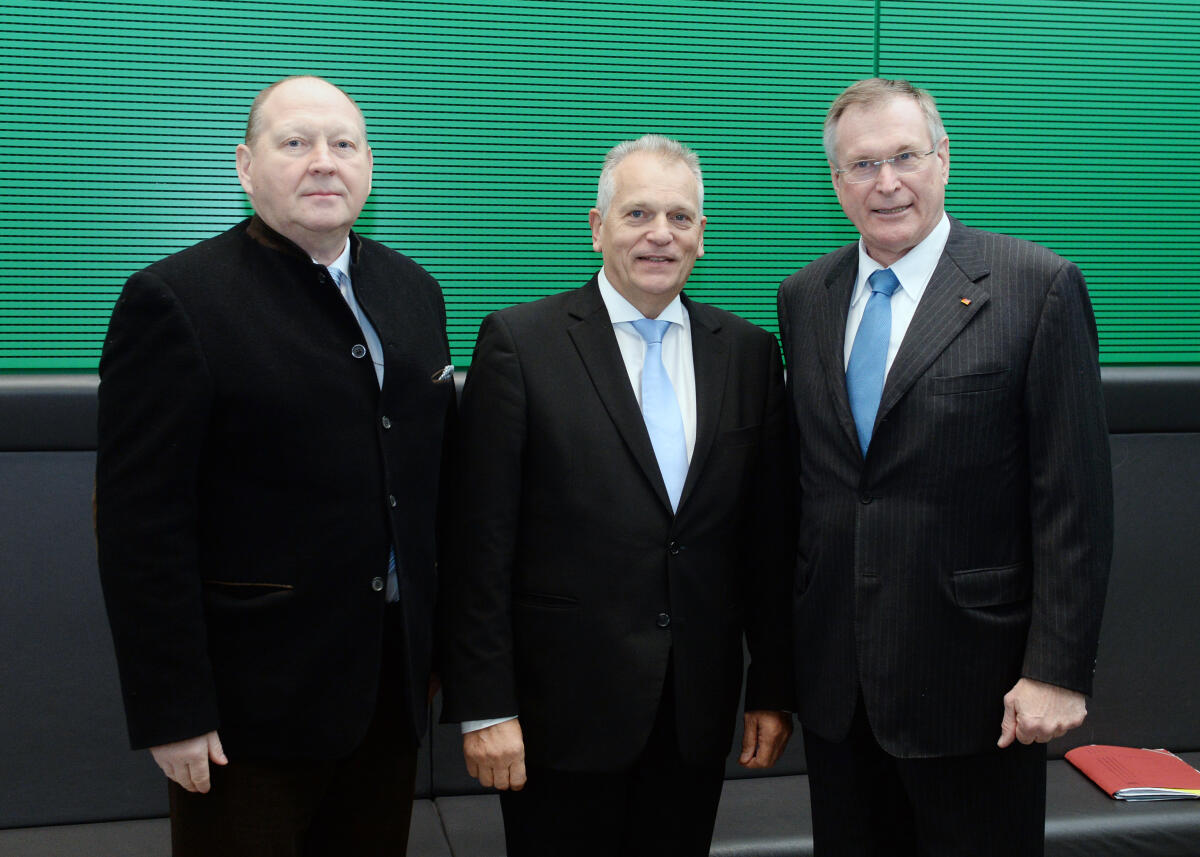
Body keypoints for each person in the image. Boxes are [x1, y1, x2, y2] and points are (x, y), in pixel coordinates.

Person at [95, 75, 455, 856]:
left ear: (369, 164)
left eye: (345, 144)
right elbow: (140, 527)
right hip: (246, 715)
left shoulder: (414, 290)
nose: (324, 162)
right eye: (295, 142)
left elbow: (429, 492)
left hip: (388, 697)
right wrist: (173, 710)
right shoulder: (175, 299)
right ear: (244, 165)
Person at [776, 78, 1113, 856]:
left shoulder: (1037, 286)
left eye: (904, 156)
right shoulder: (806, 297)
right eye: (862, 165)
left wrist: (1057, 670)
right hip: (840, 690)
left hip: (979, 693)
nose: (886, 182)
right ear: (836, 183)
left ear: (944, 158)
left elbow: (1075, 500)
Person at [440, 134, 794, 856]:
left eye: (680, 216)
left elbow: (767, 542)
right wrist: (484, 707)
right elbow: (479, 542)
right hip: (557, 718)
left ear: (703, 236)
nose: (659, 234)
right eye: (636, 214)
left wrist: (771, 687)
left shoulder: (750, 354)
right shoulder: (520, 342)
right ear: (597, 227)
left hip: (695, 714)